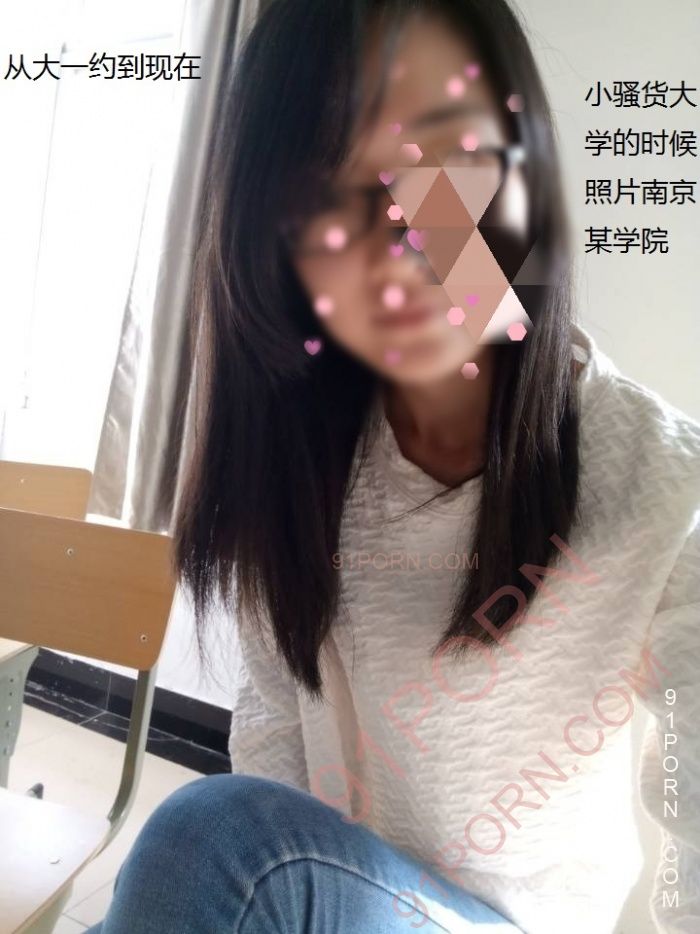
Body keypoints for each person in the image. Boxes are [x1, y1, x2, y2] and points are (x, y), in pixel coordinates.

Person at [86, 1, 700, 932]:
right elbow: (274, 737)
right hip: (327, 893)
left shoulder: (663, 487)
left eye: (440, 157)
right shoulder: (302, 457)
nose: (402, 239)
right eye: (326, 195)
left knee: (206, 842)